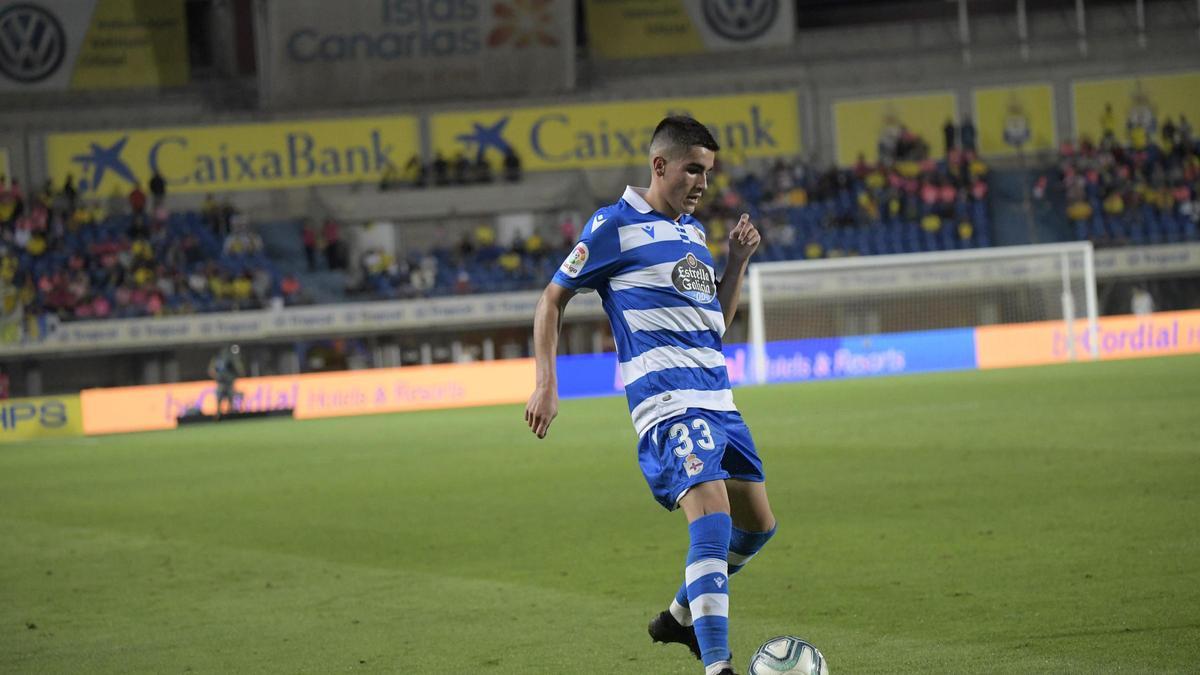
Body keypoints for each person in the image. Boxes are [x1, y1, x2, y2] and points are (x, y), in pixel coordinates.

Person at [525, 116, 776, 675]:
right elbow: (551, 299)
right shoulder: (614, 226)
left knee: (758, 527)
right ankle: (719, 666)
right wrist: (546, 381)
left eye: (708, 172)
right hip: (668, 403)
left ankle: (678, 617)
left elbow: (715, 322)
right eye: (693, 169)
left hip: (719, 400)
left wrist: (736, 262)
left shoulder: (690, 233)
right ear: (659, 165)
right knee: (710, 520)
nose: (702, 183)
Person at [207, 344, 245, 419]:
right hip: (223, 382)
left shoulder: (224, 359)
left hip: (227, 382)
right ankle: (221, 417)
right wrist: (218, 377)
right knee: (221, 401)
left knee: (228, 400)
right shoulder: (218, 359)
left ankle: (225, 416)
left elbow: (210, 370)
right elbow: (211, 370)